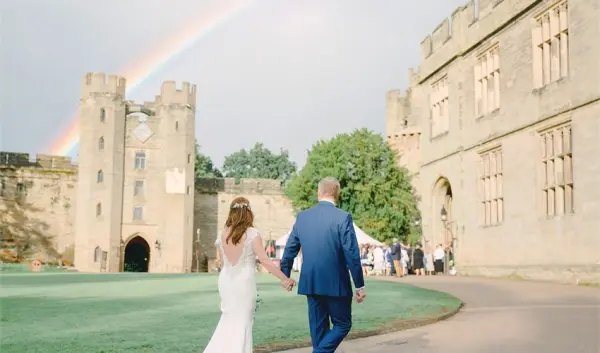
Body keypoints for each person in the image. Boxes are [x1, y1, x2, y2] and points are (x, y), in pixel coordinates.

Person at [280, 177, 366, 353]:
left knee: (318, 331)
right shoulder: (343, 217)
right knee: (343, 324)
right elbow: (352, 254)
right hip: (337, 283)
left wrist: (285, 275)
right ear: (337, 194)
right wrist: (359, 284)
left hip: (311, 282)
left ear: (319, 193)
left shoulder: (303, 217)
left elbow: (290, 249)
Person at [203, 197, 296, 353]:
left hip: (226, 281)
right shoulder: (252, 234)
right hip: (243, 283)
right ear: (248, 212)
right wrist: (284, 279)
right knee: (243, 324)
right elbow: (265, 260)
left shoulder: (222, 234)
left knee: (228, 320)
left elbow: (222, 262)